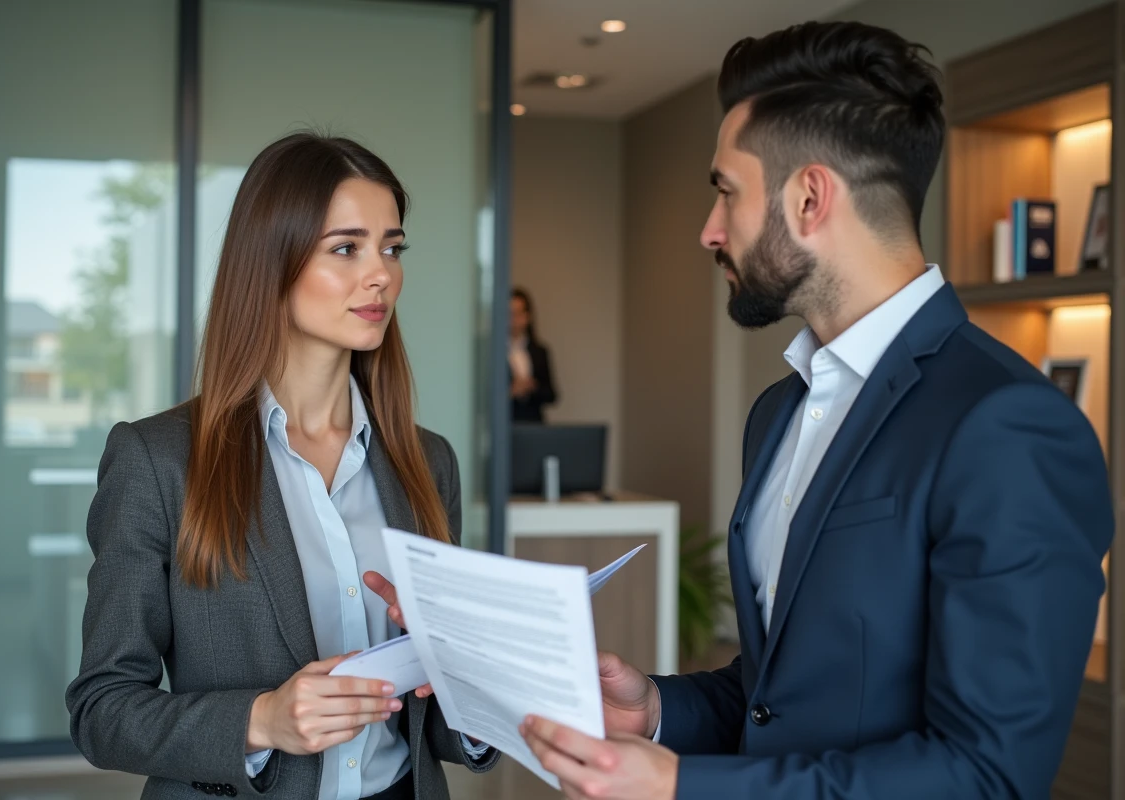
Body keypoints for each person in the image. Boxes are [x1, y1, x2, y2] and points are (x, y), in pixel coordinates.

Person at [519, 20, 1114, 800]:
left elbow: (987, 776)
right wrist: (662, 711)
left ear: (809, 197)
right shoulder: (778, 413)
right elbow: (781, 694)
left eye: (725, 192)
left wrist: (683, 788)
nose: (708, 231)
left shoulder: (1008, 426)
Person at [67, 133, 498, 799]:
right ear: (273, 262)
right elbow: (102, 710)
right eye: (347, 247)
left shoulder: (426, 461)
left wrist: (477, 699)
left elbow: (433, 716)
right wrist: (261, 721)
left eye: (392, 246)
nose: (381, 272)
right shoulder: (158, 461)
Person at [508, 287, 557, 422]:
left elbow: (552, 395)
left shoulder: (540, 351)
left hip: (533, 422)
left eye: (517, 313)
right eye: (509, 314)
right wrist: (510, 391)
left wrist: (532, 386)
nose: (513, 319)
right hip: (504, 423)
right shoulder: (491, 353)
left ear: (527, 316)